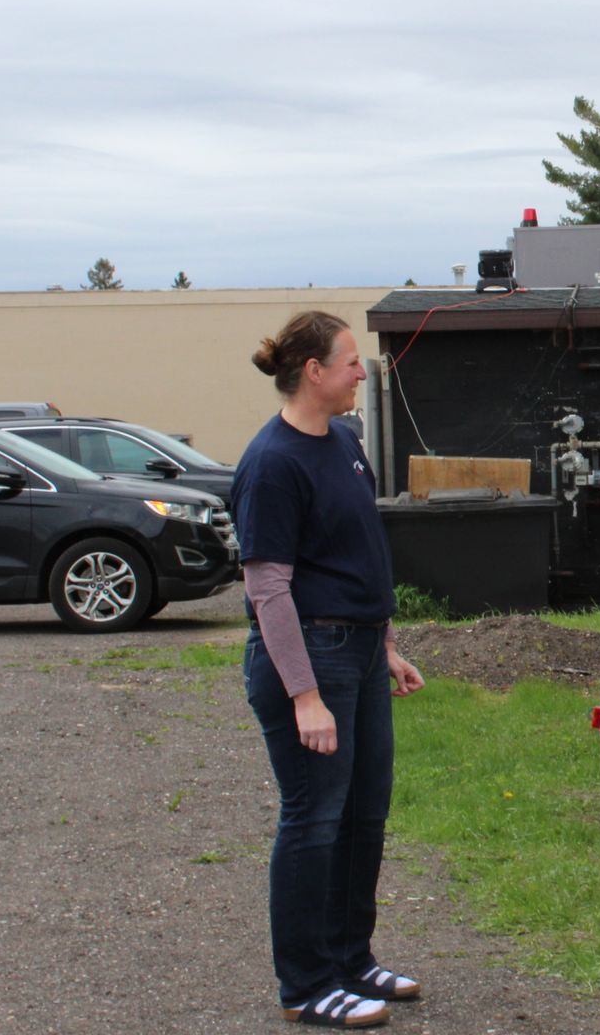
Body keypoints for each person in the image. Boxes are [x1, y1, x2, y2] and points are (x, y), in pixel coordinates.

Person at [233, 310, 426, 1029]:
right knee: (314, 819)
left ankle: (351, 959)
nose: (360, 373)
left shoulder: (343, 443)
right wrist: (305, 695)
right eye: (349, 362)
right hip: (306, 660)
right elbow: (268, 588)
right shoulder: (272, 462)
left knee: (363, 816)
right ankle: (306, 984)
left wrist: (384, 648)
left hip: (358, 651)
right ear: (312, 372)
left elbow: (353, 556)